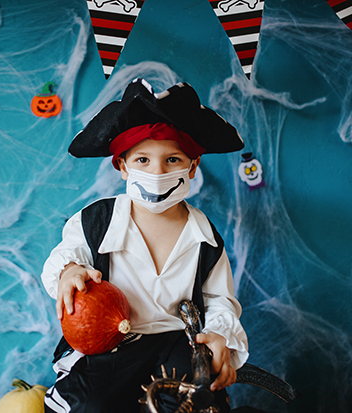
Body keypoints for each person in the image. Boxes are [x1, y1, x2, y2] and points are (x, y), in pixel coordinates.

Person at [41, 78, 249, 413]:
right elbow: (68, 255)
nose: (157, 172)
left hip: (179, 343)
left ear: (193, 166)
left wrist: (221, 335)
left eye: (172, 160)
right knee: (88, 406)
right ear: (122, 165)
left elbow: (219, 301)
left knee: (188, 402)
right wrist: (70, 271)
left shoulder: (206, 239)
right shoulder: (96, 222)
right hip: (112, 344)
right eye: (142, 160)